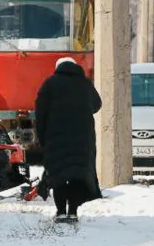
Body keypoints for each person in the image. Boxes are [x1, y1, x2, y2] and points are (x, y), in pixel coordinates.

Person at [34, 56, 103, 221]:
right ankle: (73, 211)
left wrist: (42, 137)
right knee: (76, 175)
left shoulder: (50, 83)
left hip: (56, 138)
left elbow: (40, 111)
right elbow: (97, 104)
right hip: (82, 140)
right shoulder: (85, 83)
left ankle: (60, 212)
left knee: (59, 175)